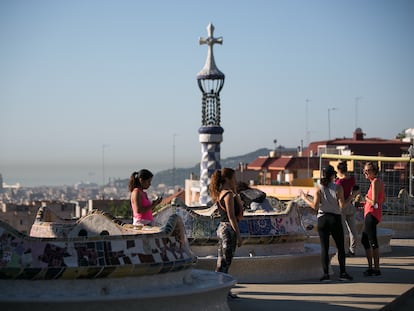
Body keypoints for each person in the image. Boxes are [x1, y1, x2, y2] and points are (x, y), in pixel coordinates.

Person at [300, 165, 353, 282]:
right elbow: (342, 206)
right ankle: (343, 273)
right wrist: (351, 196)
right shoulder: (338, 188)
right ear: (333, 176)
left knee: (325, 248)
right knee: (341, 247)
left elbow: (314, 206)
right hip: (335, 219)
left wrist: (304, 197)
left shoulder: (319, 189)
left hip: (322, 219)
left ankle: (326, 275)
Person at [209, 168, 243, 298]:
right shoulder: (228, 195)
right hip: (228, 230)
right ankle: (221, 291)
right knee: (225, 262)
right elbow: (231, 217)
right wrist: (238, 235)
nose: (235, 180)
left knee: (222, 262)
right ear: (228, 179)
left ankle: (220, 289)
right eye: (234, 178)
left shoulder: (221, 193)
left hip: (222, 229)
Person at [361, 161, 385, 276]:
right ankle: (372, 268)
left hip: (372, 215)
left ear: (374, 171)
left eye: (368, 170)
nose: (365, 172)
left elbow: (374, 202)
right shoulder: (377, 182)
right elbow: (382, 199)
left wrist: (366, 198)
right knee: (365, 240)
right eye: (364, 170)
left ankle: (375, 269)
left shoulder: (375, 182)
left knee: (372, 241)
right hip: (373, 214)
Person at [336, 161, 359, 257]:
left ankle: (343, 251)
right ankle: (352, 250)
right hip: (350, 205)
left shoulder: (339, 182)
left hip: (341, 207)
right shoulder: (352, 179)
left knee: (342, 231)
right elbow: (355, 190)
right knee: (353, 231)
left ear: (339, 170)